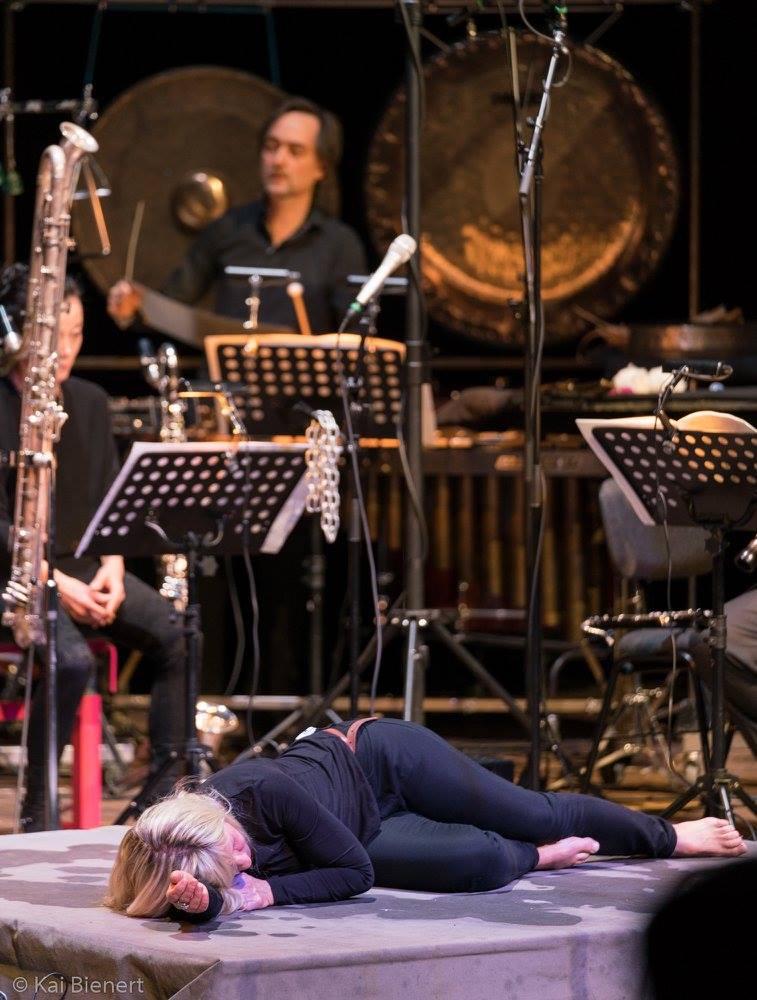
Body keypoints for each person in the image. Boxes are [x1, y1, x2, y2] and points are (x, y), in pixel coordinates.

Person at [105, 717, 746, 920]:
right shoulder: (181, 853)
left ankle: (670, 835)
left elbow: (352, 874)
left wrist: (262, 893)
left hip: (379, 764)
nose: (244, 862)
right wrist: (208, 904)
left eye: (234, 846)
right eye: (228, 870)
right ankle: (539, 857)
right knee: (483, 862)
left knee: (537, 813)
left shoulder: (261, 789)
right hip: (365, 831)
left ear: (213, 814)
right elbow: (197, 897)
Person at [0, 263, 187, 830]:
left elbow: (109, 499)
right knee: (72, 659)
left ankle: (158, 798)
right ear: (21, 333)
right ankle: (38, 812)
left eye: (76, 334)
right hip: (15, 579)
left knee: (178, 635)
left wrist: (113, 565)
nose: (65, 349)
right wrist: (55, 584)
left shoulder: (90, 399)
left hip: (83, 570)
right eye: (53, 334)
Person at [107, 96, 366, 332]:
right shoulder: (228, 228)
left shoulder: (340, 244)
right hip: (225, 368)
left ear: (322, 167)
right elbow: (173, 303)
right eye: (271, 147)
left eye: (295, 151)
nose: (278, 160)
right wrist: (135, 305)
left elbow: (353, 335)